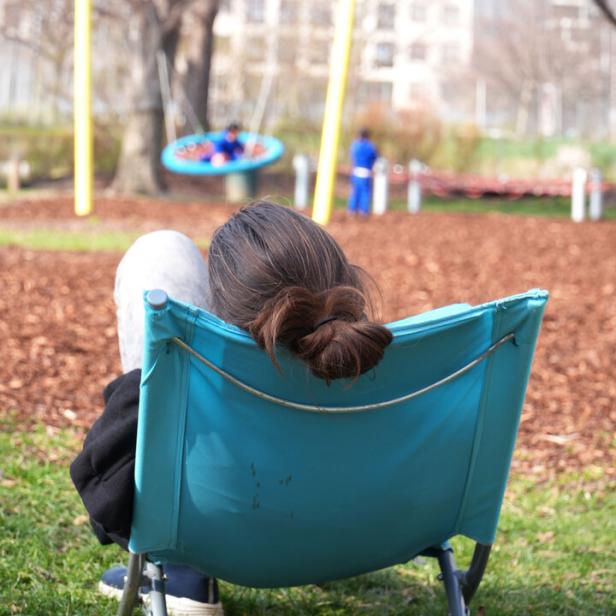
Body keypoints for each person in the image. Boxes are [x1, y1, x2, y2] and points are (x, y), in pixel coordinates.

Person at [70, 201, 393, 616]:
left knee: (160, 253)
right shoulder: (396, 366)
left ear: (221, 309)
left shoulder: (176, 383)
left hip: (211, 530)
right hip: (351, 540)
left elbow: (105, 498)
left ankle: (182, 573)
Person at [348, 128, 379, 217]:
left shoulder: (355, 145)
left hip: (356, 171)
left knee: (355, 192)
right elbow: (375, 156)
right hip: (366, 172)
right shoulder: (370, 146)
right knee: (365, 193)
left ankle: (352, 210)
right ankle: (363, 212)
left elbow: (352, 156)